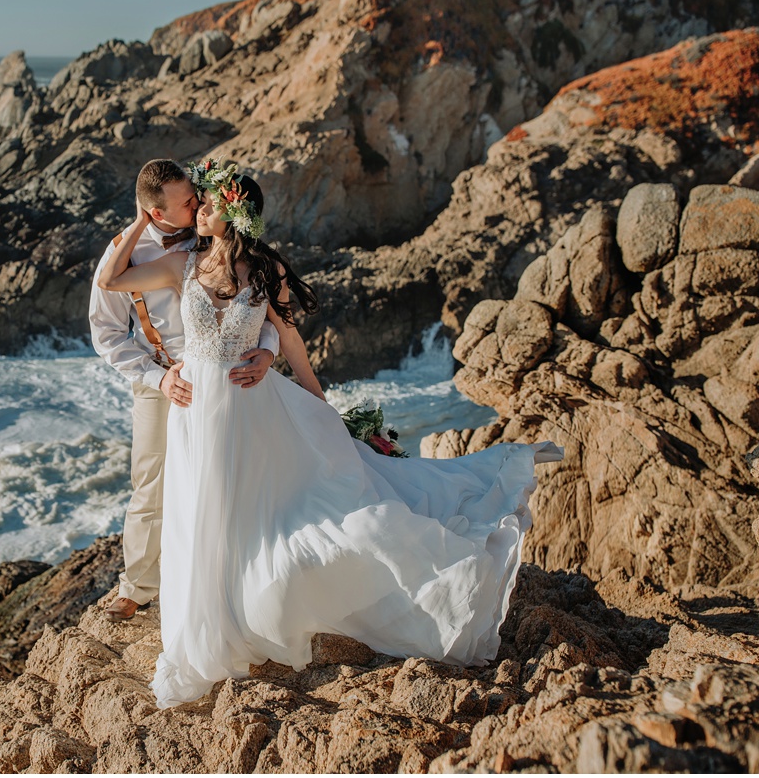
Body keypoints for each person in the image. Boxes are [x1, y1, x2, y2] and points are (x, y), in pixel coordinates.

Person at [98, 159, 563, 709]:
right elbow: (110, 279)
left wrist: (324, 412)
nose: (198, 209)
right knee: (199, 514)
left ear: (233, 214)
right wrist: (137, 217)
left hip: (248, 407)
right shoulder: (183, 260)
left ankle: (240, 611)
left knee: (248, 513)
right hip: (195, 407)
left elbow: (292, 346)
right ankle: (208, 614)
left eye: (208, 204)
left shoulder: (266, 272)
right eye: (196, 203)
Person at [88, 159, 281, 622]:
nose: (199, 204)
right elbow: (106, 335)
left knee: (230, 478)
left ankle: (229, 577)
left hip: (226, 376)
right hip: (161, 378)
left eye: (198, 197)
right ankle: (137, 588)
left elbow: (262, 307)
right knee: (152, 482)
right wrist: (159, 378)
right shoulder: (124, 253)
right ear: (156, 213)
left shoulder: (211, 233)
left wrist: (269, 351)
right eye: (189, 201)